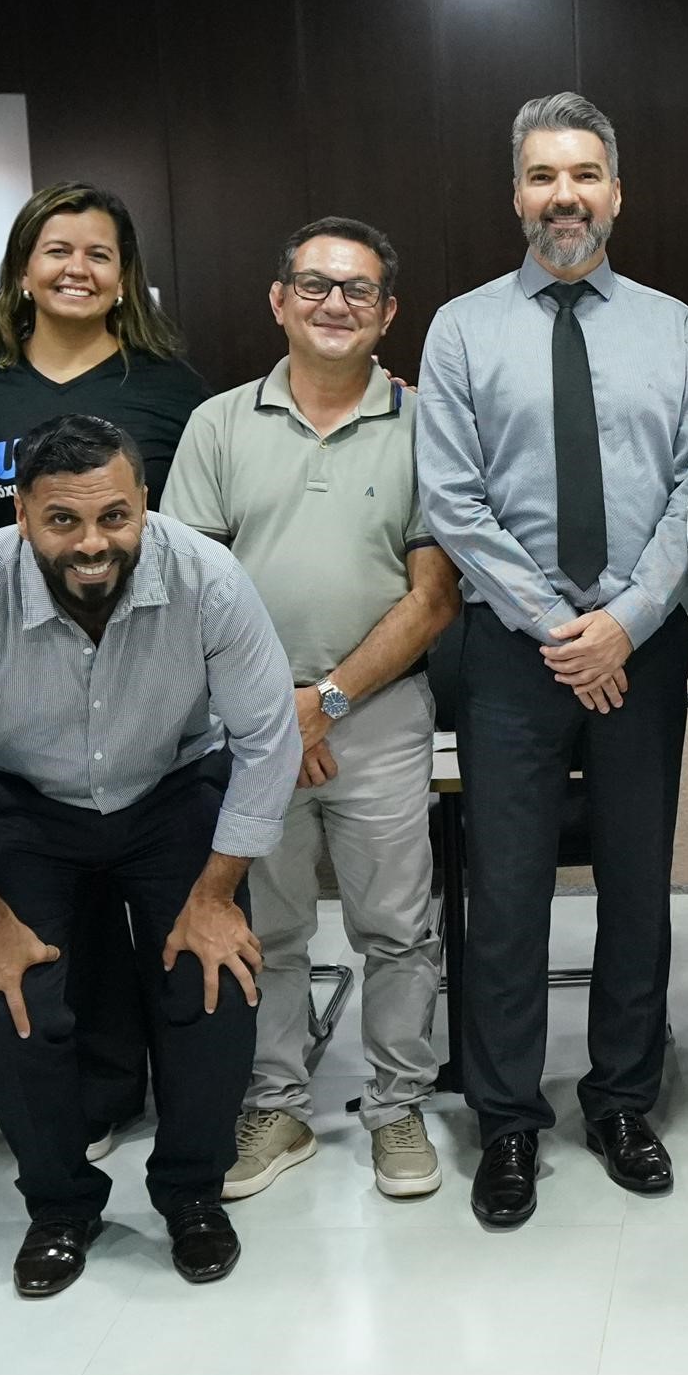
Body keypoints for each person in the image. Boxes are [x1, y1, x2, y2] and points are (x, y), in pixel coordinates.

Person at [0, 413, 298, 1298]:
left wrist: (218, 892)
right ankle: (60, 1206)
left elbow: (267, 740)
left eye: (113, 516)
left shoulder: (208, 579)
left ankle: (191, 1193)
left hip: (171, 788)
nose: (93, 544)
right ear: (22, 514)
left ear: (144, 503)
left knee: (214, 979)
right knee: (12, 997)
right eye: (64, 521)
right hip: (23, 802)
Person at [414, 91, 688, 1229]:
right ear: (516, 195)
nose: (564, 196)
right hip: (510, 651)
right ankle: (505, 1120)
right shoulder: (460, 327)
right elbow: (452, 497)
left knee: (640, 884)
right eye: (542, 176)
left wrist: (625, 622)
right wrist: (558, 628)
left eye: (583, 174)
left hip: (638, 643)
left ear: (616, 192)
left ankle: (624, 1098)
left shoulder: (672, 327)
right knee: (508, 895)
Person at [163, 217, 461, 1202]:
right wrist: (275, 710)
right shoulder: (215, 426)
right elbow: (188, 592)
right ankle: (278, 1103)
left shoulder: (424, 423)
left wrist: (325, 701)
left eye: (358, 291)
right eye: (315, 286)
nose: (336, 304)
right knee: (270, 925)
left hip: (374, 713)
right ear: (278, 300)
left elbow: (433, 597)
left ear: (387, 314)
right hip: (246, 722)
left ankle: (395, 1107)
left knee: (394, 924)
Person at [0, 181, 214, 510]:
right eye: (57, 251)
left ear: (121, 280)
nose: (77, 269)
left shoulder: (175, 387)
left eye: (98, 255)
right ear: (24, 273)